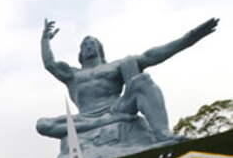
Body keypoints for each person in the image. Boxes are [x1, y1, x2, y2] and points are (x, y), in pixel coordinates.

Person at [37, 17, 219, 141]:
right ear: (80, 52)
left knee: (142, 81)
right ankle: (102, 122)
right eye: (84, 45)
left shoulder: (116, 66)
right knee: (42, 125)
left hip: (117, 108)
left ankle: (162, 133)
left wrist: (188, 39)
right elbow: (50, 64)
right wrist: (45, 40)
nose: (88, 47)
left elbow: (153, 55)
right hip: (85, 117)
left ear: (100, 49)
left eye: (92, 44)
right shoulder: (72, 74)